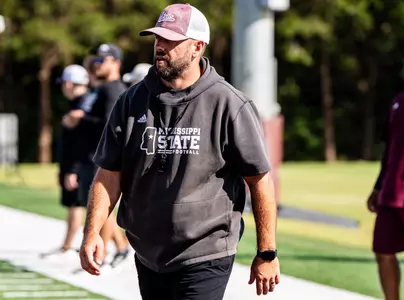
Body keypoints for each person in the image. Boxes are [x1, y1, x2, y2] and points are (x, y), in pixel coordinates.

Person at [79, 3, 280, 299]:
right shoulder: (131, 101)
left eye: (171, 40)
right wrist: (92, 232)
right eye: (158, 38)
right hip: (148, 252)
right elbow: (109, 174)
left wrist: (267, 252)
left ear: (197, 47)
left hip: (205, 253)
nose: (160, 46)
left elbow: (259, 181)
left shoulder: (229, 104)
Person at [367, 43, 404, 300]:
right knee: (383, 251)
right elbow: (389, 150)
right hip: (391, 195)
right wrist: (378, 187)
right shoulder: (399, 101)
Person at [40, 64, 98, 258]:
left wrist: (72, 169)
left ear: (68, 83)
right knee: (81, 205)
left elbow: (80, 143)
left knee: (79, 205)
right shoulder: (79, 105)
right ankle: (68, 244)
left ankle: (69, 246)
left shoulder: (82, 107)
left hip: (81, 165)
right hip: (78, 164)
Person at [89, 43, 131, 268]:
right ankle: (120, 247)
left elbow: (111, 127)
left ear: (115, 63)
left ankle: (101, 252)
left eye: (101, 60)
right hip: (104, 158)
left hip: (107, 160)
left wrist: (81, 120)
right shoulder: (108, 87)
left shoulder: (112, 89)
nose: (97, 64)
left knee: (103, 205)